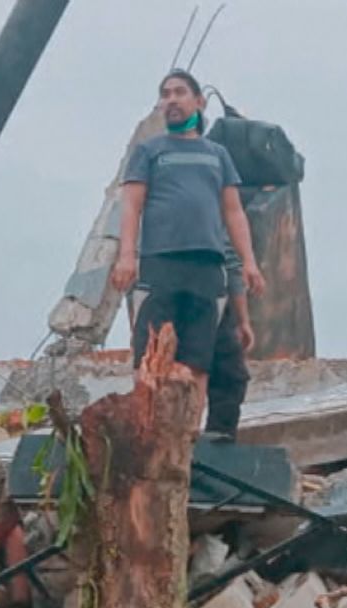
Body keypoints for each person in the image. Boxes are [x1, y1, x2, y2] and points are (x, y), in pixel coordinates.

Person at [110, 70, 265, 405]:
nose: (171, 100)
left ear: (198, 101)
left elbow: (234, 212)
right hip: (160, 262)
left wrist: (249, 262)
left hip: (206, 265)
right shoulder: (149, 152)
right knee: (151, 353)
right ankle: (147, 425)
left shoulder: (217, 155)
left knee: (199, 357)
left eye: (180, 93)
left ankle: (189, 434)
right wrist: (127, 256)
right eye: (165, 94)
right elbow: (131, 206)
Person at [203, 242, 255, 441]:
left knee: (231, 377)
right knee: (227, 377)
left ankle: (216, 446)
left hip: (212, 298)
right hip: (201, 296)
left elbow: (231, 263)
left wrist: (243, 320)